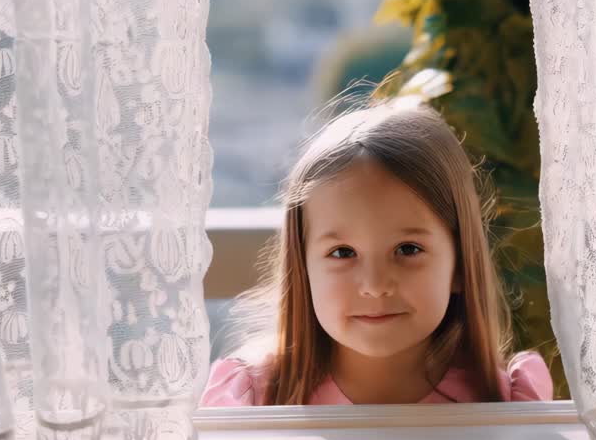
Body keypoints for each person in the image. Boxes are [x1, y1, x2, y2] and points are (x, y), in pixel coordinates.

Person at [201, 99, 551, 406]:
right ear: (303, 268)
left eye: (408, 249)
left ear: (459, 263)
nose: (375, 285)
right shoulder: (253, 399)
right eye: (342, 253)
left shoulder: (504, 403)